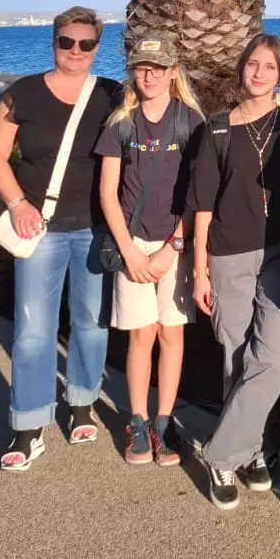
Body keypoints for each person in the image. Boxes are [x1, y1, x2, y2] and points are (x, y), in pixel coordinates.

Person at [0, 6, 121, 471]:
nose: (75, 50)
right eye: (67, 42)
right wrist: (17, 203)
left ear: (96, 48)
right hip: (38, 226)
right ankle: (28, 424)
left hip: (95, 227)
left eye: (86, 43)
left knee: (91, 324)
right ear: (53, 42)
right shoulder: (22, 94)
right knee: (33, 331)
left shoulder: (111, 95)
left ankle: (82, 401)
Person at [189, 33, 280, 509]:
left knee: (271, 358)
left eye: (269, 67)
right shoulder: (217, 130)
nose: (259, 74)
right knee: (235, 358)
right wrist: (199, 270)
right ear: (242, 68)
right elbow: (202, 206)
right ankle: (251, 450)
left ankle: (221, 454)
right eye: (253, 64)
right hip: (227, 256)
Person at [96, 37, 203, 466]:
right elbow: (108, 193)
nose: (149, 75)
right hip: (133, 244)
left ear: (173, 72)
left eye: (158, 68)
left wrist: (174, 246)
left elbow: (199, 193)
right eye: (142, 67)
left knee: (171, 334)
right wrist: (130, 251)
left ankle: (164, 420)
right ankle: (138, 420)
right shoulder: (121, 123)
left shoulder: (190, 122)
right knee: (141, 335)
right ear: (132, 72)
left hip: (174, 244)